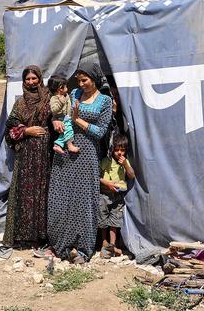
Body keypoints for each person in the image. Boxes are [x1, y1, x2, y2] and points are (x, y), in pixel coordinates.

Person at [47, 63, 113, 264]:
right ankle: (59, 244)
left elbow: (100, 132)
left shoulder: (105, 101)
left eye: (85, 80)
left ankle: (82, 248)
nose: (81, 84)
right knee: (60, 196)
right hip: (65, 151)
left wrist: (78, 121)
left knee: (84, 201)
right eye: (79, 80)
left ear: (95, 79)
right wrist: (54, 121)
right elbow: (59, 114)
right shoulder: (74, 93)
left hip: (87, 153)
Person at [3, 65, 53, 249]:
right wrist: (27, 130)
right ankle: (25, 236)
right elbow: (10, 129)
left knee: (43, 192)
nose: (31, 82)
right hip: (26, 155)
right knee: (25, 194)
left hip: (45, 153)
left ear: (40, 79)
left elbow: (58, 118)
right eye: (27, 79)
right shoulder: (20, 103)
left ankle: (43, 235)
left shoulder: (49, 98)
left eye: (34, 78)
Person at [98, 133, 135, 258]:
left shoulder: (125, 162)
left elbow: (131, 176)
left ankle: (112, 245)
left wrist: (125, 164)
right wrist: (107, 183)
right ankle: (104, 243)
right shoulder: (105, 161)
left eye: (122, 150)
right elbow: (97, 176)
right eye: (117, 149)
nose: (119, 153)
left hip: (117, 196)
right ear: (112, 149)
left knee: (115, 220)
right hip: (104, 194)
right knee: (102, 219)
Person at [48, 76, 80, 155]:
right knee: (69, 130)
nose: (67, 88)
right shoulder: (54, 98)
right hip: (61, 118)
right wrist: (61, 103)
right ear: (60, 88)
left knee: (64, 133)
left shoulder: (66, 95)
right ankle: (70, 145)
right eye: (66, 86)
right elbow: (53, 110)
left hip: (67, 117)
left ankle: (57, 145)